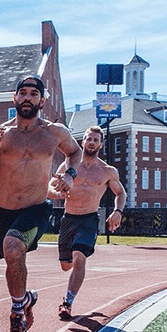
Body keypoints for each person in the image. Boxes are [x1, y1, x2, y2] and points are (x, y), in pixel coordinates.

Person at [0, 77, 81, 332]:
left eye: (34, 94)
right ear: (15, 98)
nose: (28, 98)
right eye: (23, 93)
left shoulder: (55, 132)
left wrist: (70, 175)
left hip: (36, 208)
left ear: (42, 101)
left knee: (13, 245)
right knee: (12, 259)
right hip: (3, 210)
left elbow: (74, 153)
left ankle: (17, 313)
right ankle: (25, 300)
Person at [48, 125, 127, 320]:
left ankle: (67, 303)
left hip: (89, 220)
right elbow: (48, 187)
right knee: (66, 265)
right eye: (88, 139)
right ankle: (75, 270)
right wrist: (58, 192)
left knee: (79, 257)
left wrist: (118, 212)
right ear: (82, 142)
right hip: (69, 219)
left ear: (100, 144)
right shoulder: (68, 166)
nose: (91, 142)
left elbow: (121, 193)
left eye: (95, 140)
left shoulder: (108, 171)